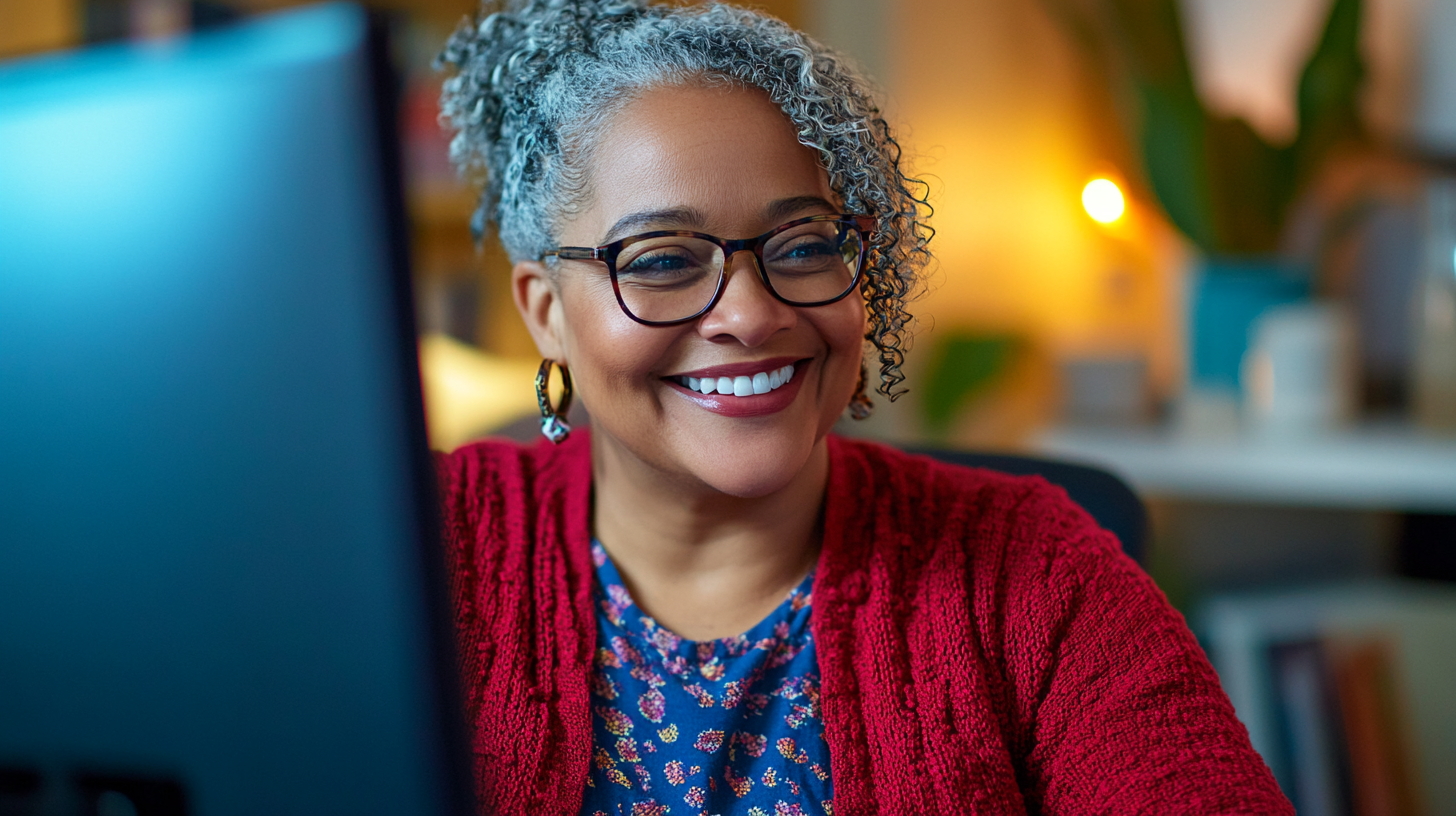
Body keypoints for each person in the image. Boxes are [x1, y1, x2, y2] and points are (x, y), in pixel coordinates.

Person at [432, 1, 1292, 814]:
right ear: (544, 308)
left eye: (804, 245)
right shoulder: (424, 541)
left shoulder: (1031, 569)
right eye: (662, 260)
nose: (750, 313)